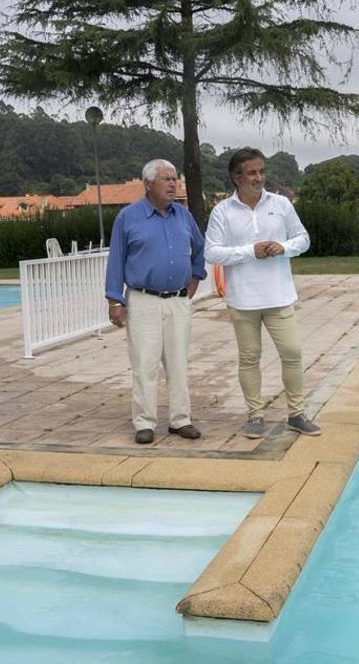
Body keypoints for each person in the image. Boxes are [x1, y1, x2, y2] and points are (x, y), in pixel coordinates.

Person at [205, 147, 322, 439]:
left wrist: (283, 247)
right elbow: (212, 252)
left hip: (279, 295)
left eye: (261, 171)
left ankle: (296, 413)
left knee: (292, 353)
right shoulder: (222, 211)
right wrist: (249, 251)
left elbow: (303, 239)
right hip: (242, 299)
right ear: (236, 178)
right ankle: (255, 414)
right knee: (249, 357)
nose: (259, 178)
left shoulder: (281, 204)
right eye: (252, 173)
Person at [105, 159, 206, 444]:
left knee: (178, 363)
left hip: (177, 301)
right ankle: (144, 422)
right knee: (144, 364)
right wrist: (114, 299)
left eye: (175, 179)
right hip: (143, 301)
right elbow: (117, 259)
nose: (173, 184)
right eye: (166, 179)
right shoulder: (128, 217)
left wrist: (196, 276)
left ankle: (180, 420)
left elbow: (200, 247)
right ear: (148, 184)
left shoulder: (183, 216)